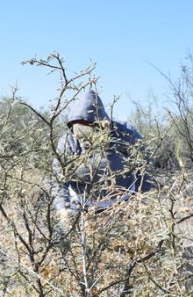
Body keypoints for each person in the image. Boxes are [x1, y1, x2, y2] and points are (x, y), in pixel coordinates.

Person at [52, 88, 154, 223]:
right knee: (71, 239)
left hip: (122, 202)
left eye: (90, 127)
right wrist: (62, 207)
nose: (85, 132)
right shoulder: (68, 141)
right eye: (80, 127)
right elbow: (59, 177)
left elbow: (144, 164)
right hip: (82, 203)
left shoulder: (124, 132)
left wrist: (140, 197)